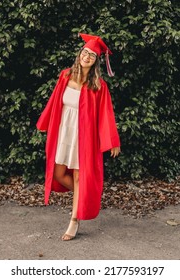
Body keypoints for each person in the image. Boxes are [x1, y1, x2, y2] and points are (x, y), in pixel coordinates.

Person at [36, 33, 121, 241]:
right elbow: (55, 102)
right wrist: (44, 122)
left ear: (95, 61)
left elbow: (106, 115)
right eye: (86, 52)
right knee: (58, 173)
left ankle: (74, 220)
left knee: (78, 176)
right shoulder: (65, 76)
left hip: (84, 136)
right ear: (80, 54)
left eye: (92, 55)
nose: (88, 56)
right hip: (64, 130)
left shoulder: (99, 86)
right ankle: (83, 198)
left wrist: (113, 141)